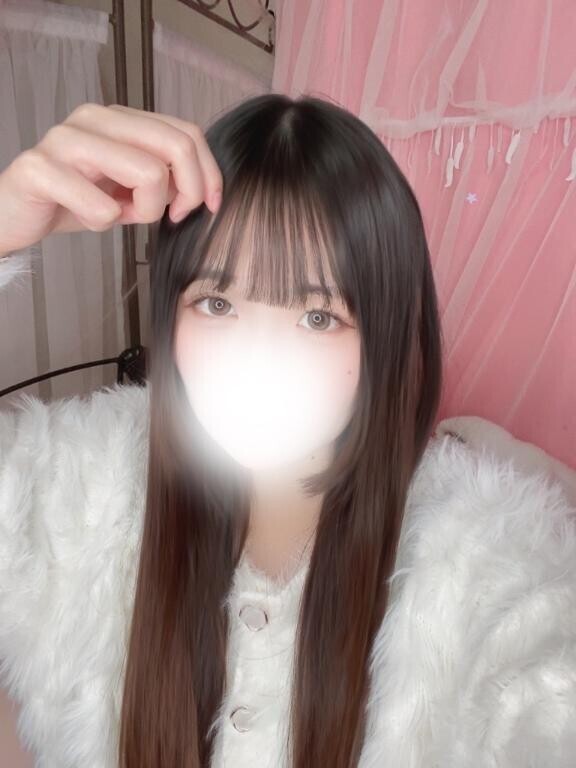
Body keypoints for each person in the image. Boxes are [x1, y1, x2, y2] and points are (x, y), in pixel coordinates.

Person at [0, 95, 574, 768]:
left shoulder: (484, 569)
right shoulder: (79, 491)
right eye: (217, 303)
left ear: (388, 339)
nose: (258, 360)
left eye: (317, 317)